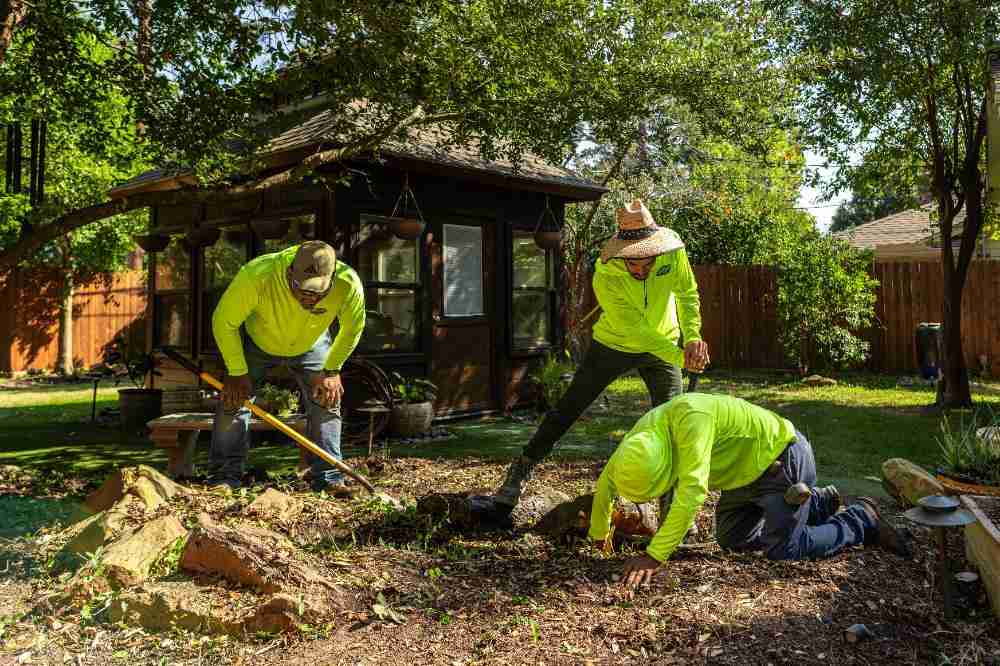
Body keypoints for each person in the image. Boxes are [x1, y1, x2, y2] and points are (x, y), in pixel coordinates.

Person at [494, 199, 709, 508]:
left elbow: (687, 294)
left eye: (646, 260)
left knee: (673, 422)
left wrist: (692, 339)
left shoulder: (674, 255)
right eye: (631, 261)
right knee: (568, 408)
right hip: (615, 344)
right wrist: (682, 359)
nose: (639, 268)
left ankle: (670, 507)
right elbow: (637, 331)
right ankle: (520, 472)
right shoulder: (605, 273)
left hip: (664, 341)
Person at [588, 393, 911, 590]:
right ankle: (820, 503)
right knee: (732, 540)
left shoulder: (692, 422)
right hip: (744, 477)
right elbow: (606, 482)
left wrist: (654, 556)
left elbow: (691, 494)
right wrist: (599, 534)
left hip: (782, 460)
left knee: (784, 549)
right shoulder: (641, 436)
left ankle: (859, 519)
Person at [208, 240, 365, 495]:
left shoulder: (348, 283)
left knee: (328, 400)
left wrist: (332, 370)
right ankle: (224, 478)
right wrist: (236, 372)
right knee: (233, 400)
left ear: (332, 278)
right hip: (259, 341)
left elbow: (352, 328)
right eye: (300, 288)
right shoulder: (258, 274)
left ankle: (329, 478)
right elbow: (224, 322)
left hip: (312, 342)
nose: (307, 296)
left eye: (317, 292)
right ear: (289, 272)